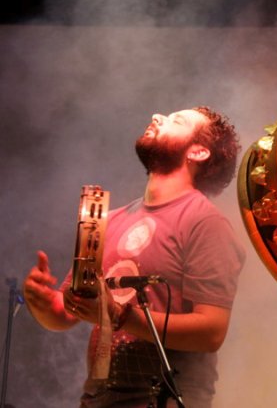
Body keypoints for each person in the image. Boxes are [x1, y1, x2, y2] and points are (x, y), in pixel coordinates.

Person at [22, 106, 246, 407]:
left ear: (198, 152)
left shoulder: (205, 223)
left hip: (163, 399)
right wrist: (44, 302)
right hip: (98, 401)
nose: (157, 116)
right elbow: (66, 313)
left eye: (176, 120)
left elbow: (211, 332)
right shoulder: (106, 220)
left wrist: (119, 315)